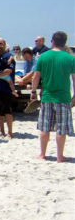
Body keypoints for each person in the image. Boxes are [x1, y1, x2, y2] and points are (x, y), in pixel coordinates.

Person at [31, 31, 75, 163]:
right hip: (63, 97)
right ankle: (60, 156)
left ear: (52, 41)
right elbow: (74, 78)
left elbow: (36, 76)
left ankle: (42, 154)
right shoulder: (70, 58)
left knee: (45, 127)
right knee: (61, 128)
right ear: (64, 42)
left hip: (47, 96)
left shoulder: (43, 57)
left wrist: (33, 91)